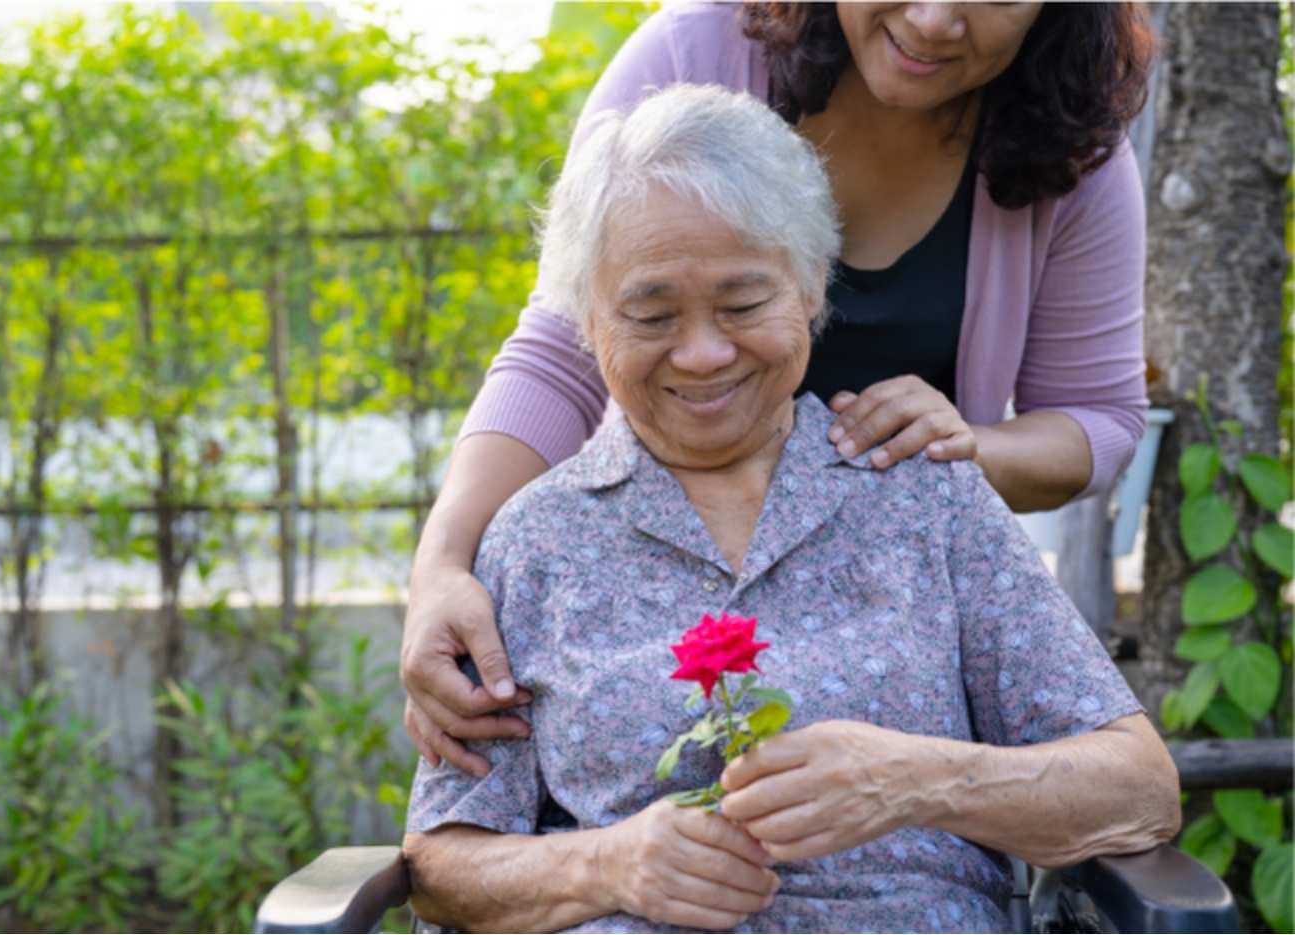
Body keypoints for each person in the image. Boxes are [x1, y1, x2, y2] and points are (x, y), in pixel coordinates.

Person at [402, 84, 1179, 934]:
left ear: (812, 287)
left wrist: (915, 779)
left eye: (743, 305)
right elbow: (441, 864)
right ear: (588, 323)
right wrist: (605, 862)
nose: (702, 353)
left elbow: (1138, 787)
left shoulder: (923, 494)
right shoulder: (532, 541)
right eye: (651, 313)